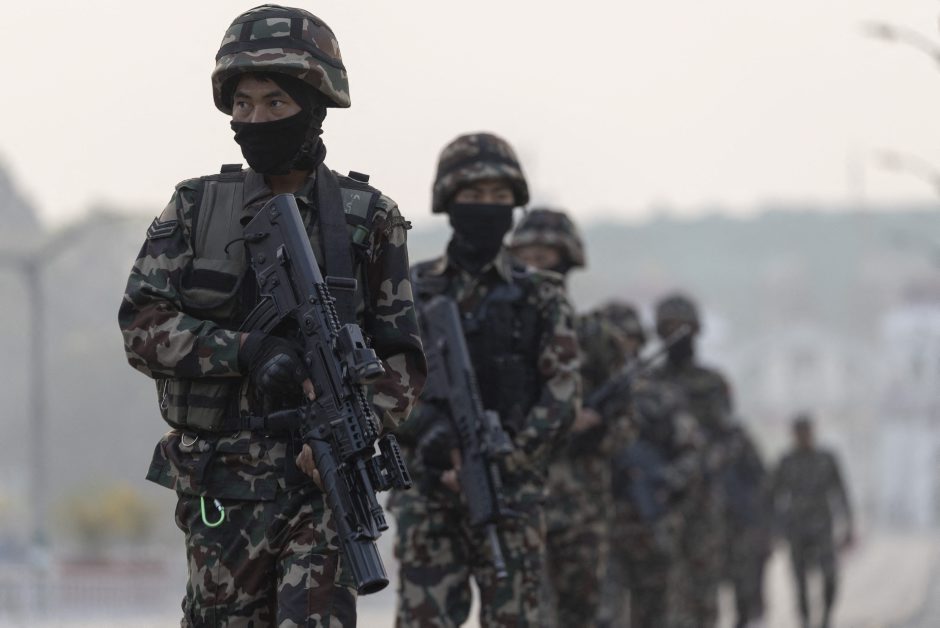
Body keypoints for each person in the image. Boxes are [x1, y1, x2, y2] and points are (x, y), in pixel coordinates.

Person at [118, 5, 426, 625]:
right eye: (243, 104)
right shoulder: (197, 207)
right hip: (222, 488)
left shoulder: (370, 218)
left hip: (321, 483)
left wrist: (360, 428)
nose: (255, 120)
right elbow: (142, 327)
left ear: (315, 105)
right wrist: (247, 351)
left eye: (275, 103)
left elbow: (401, 360)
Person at [392, 134, 580, 627]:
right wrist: (426, 432)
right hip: (427, 495)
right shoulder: (410, 288)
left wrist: (508, 459)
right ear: (448, 201)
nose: (487, 207)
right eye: (474, 195)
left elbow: (562, 396)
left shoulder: (541, 294)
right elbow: (379, 383)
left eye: (499, 197)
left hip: (510, 492)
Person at [509, 209, 629, 628]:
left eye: (546, 256)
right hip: (519, 500)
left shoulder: (596, 338)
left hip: (582, 507)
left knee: (582, 613)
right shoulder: (499, 333)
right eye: (526, 256)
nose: (536, 266)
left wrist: (594, 431)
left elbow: (627, 420)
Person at [596, 303, 704, 628]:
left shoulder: (660, 395)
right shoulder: (583, 394)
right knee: (603, 616)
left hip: (651, 525)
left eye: (626, 338)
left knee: (658, 615)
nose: (619, 346)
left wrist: (664, 484)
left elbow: (691, 452)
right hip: (600, 526)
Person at [650, 293, 732, 628]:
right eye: (669, 327)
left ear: (696, 330)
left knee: (703, 589)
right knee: (658, 589)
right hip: (657, 502)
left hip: (701, 499)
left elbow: (726, 439)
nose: (676, 334)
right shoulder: (647, 383)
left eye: (683, 327)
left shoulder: (712, 383)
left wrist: (699, 467)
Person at [772, 414, 854, 628]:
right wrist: (775, 528)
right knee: (800, 582)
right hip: (796, 529)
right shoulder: (786, 462)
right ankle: (805, 621)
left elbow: (841, 492)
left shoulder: (826, 459)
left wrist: (848, 525)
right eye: (799, 433)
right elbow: (772, 495)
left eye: (806, 432)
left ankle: (825, 618)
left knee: (830, 576)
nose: (803, 437)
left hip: (822, 528)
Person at [720, 422, 773, 628]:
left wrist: (765, 527)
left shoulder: (741, 447)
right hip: (723, 527)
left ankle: (751, 617)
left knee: (751, 579)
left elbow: (764, 485)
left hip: (748, 526)